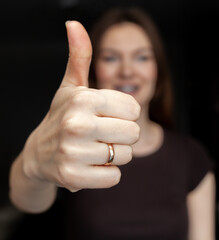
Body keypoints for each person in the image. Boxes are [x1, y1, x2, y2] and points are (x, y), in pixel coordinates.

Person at [9, 7, 215, 240]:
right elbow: (27, 202)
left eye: (142, 57)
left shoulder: (191, 156)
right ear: (95, 71)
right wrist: (34, 163)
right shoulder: (74, 148)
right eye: (111, 57)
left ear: (157, 71)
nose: (126, 70)